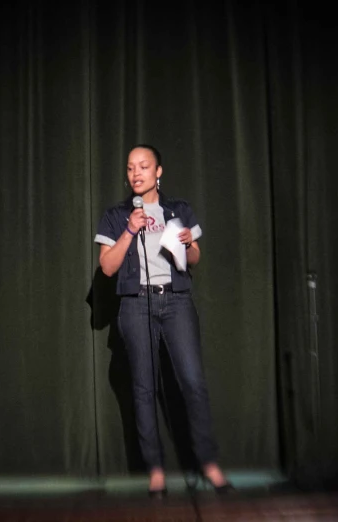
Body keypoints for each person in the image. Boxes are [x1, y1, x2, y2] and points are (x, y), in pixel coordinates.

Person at [94, 144, 234, 498]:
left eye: (143, 166)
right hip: (135, 304)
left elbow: (195, 258)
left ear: (159, 172)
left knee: (193, 382)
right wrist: (129, 230)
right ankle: (155, 471)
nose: (136, 173)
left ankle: (209, 464)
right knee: (143, 388)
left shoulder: (178, 209)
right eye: (130, 168)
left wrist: (188, 244)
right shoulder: (116, 215)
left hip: (175, 302)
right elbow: (108, 267)